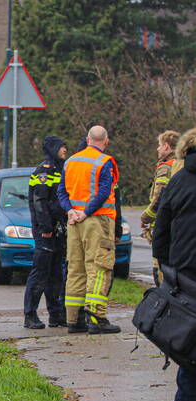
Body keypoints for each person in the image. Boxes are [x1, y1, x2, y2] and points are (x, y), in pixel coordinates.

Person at [151, 127, 196, 401]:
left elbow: (159, 238)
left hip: (188, 303)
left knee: (187, 396)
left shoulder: (179, 181)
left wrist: (174, 277)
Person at [56, 125, 121, 334]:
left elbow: (62, 192)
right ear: (106, 141)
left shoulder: (71, 161)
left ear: (87, 139)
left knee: (75, 268)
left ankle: (73, 320)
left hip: (74, 222)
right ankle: (97, 317)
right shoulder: (104, 162)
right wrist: (86, 212)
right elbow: (103, 192)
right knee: (99, 267)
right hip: (97, 221)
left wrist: (70, 211)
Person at [23, 136, 69, 329]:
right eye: (61, 146)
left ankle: (56, 314)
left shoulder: (60, 169)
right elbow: (39, 201)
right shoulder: (44, 170)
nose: (65, 149)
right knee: (40, 273)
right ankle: (30, 315)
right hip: (46, 231)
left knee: (56, 274)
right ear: (52, 148)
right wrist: (46, 228)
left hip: (58, 230)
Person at [141, 130, 180, 284]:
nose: (157, 149)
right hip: (180, 226)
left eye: (159, 145)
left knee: (161, 272)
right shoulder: (184, 165)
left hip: (164, 226)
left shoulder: (165, 168)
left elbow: (159, 198)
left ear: (166, 146)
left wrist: (145, 217)